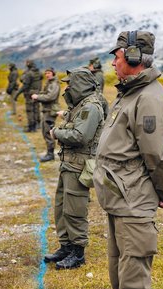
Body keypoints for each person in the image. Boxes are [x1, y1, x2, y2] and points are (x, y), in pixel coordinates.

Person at [93, 31, 163, 289]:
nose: (113, 62)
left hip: (135, 200)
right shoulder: (130, 93)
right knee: (119, 273)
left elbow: (157, 155)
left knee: (134, 274)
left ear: (136, 57)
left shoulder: (149, 98)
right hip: (119, 200)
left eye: (118, 56)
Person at [44, 67, 104, 269]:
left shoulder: (91, 107)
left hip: (79, 166)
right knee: (61, 207)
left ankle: (78, 254)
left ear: (80, 84)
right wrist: (63, 129)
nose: (67, 87)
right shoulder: (80, 105)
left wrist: (57, 133)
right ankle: (66, 247)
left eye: (70, 83)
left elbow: (80, 136)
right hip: (69, 163)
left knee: (75, 209)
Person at [31, 67, 60, 162]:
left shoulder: (54, 83)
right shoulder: (49, 83)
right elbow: (46, 93)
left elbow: (50, 97)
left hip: (50, 111)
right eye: (46, 73)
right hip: (47, 110)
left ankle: (50, 154)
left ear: (53, 73)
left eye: (49, 73)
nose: (47, 75)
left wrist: (38, 97)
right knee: (45, 131)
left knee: (48, 132)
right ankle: (49, 152)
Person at [15, 59, 42, 132]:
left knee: (30, 110)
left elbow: (24, 85)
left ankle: (32, 127)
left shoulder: (28, 73)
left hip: (29, 94)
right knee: (36, 109)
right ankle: (37, 124)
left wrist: (17, 94)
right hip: (37, 93)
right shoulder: (38, 72)